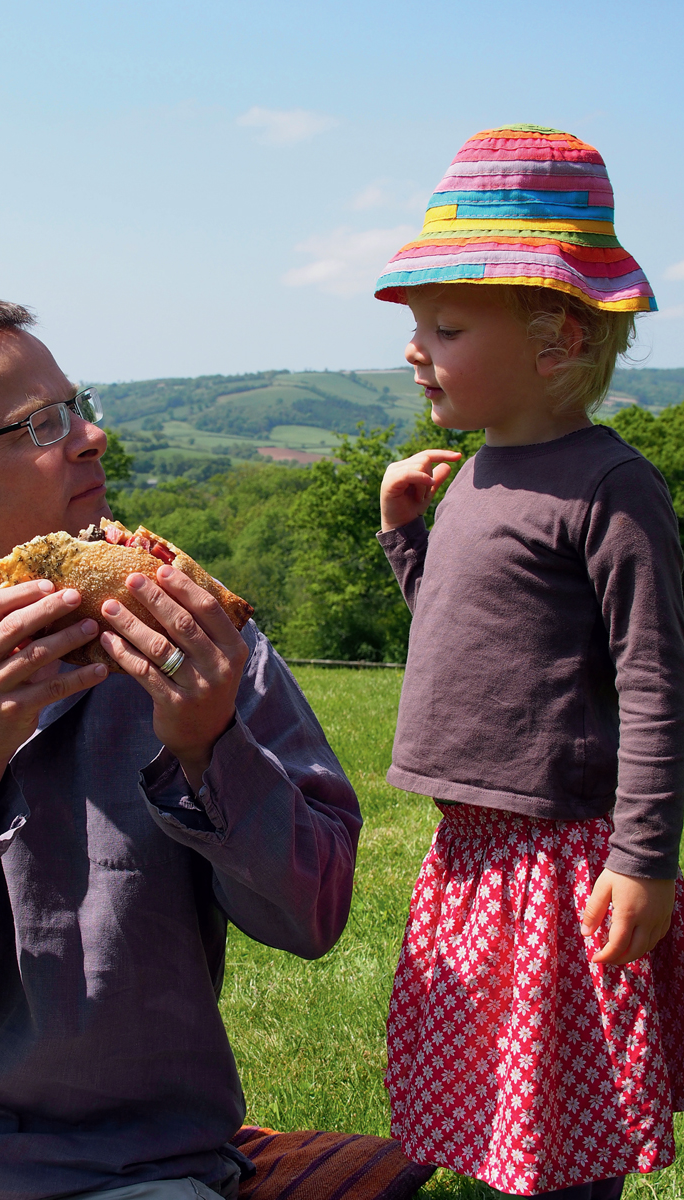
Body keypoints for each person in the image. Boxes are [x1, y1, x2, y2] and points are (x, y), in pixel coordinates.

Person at [0, 299, 362, 1200]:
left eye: (76, 404)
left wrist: (210, 750)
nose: (92, 437)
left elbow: (312, 919)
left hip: (128, 1157)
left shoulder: (196, 636)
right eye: (41, 424)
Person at [371, 125, 684, 1198]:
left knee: (562, 1106)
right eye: (419, 325)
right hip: (474, 843)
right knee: (496, 1084)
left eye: (448, 326)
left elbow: (653, 683)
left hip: (563, 853)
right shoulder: (477, 472)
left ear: (555, 339)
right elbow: (473, 642)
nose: (418, 349)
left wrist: (642, 859)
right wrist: (407, 537)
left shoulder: (609, 487)